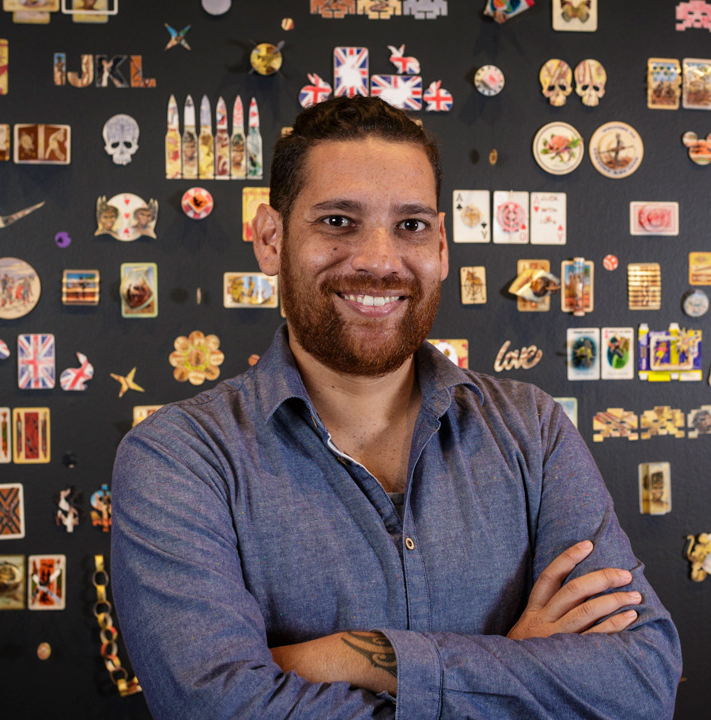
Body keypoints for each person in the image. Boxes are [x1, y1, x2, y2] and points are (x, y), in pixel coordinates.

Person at [112, 96, 681, 718]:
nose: (379, 260)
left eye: (410, 226)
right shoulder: (178, 458)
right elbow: (218, 711)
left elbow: (640, 681)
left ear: (440, 245)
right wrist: (510, 669)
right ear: (271, 239)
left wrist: (353, 656)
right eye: (337, 221)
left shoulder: (532, 430)